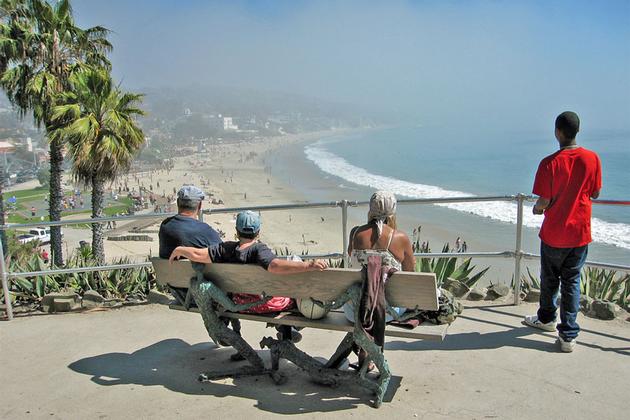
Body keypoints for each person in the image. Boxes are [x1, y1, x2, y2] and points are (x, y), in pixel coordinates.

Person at [170, 210, 328, 357]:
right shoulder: (259, 250)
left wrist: (181, 249)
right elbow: (274, 266)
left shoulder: (225, 249)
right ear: (258, 232)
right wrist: (308, 265)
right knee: (292, 292)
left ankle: (286, 331)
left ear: (237, 232)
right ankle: (288, 330)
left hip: (239, 304)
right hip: (268, 304)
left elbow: (199, 254)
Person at [524, 111, 602, 353]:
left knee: (549, 279)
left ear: (557, 132)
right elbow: (595, 193)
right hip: (579, 233)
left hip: (554, 233)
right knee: (572, 282)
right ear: (577, 131)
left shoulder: (549, 163)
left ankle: (546, 318)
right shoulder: (592, 159)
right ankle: (568, 334)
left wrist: (538, 208)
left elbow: (544, 200)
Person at [343, 191, 415, 370]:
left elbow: (353, 263)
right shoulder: (400, 238)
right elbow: (410, 275)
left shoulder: (355, 234)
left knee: (367, 294)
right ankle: (369, 354)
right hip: (387, 312)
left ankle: (364, 352)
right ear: (393, 212)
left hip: (354, 310)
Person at [158, 185, 222, 258]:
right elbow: (223, 253)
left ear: (178, 203)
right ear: (200, 205)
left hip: (168, 269)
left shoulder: (165, 226)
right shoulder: (204, 230)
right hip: (197, 269)